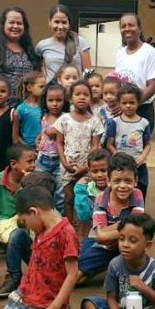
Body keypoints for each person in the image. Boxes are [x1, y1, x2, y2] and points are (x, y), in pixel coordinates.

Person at [0, 187, 80, 309]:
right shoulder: (41, 230)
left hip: (48, 303)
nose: (27, 227)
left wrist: (54, 308)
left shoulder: (66, 233)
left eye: (25, 221)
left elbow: (72, 274)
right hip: (27, 295)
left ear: (34, 212)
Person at [0, 144, 37, 298]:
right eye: (29, 161)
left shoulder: (34, 179)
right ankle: (14, 276)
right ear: (13, 164)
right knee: (15, 236)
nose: (33, 165)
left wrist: (30, 184)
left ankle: (38, 270)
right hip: (4, 219)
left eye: (34, 161)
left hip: (26, 217)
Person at [81, 214, 155, 309]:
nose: (125, 245)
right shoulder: (115, 265)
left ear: (147, 245)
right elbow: (111, 298)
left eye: (132, 241)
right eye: (121, 239)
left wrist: (144, 288)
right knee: (89, 303)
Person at [78, 153, 145, 282]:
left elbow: (135, 229)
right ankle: (105, 264)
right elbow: (100, 237)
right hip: (103, 246)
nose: (123, 186)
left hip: (127, 245)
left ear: (135, 181)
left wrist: (108, 233)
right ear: (109, 181)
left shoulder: (136, 195)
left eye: (128, 181)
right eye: (117, 181)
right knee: (76, 277)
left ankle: (113, 264)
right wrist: (125, 225)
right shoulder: (101, 198)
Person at [55, 80, 104, 235]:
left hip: (87, 168)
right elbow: (59, 142)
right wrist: (64, 163)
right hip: (67, 167)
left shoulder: (95, 121)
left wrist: (85, 167)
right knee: (68, 198)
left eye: (86, 94)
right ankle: (69, 232)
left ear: (90, 98)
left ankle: (84, 232)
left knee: (85, 199)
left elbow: (95, 147)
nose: (82, 97)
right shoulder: (64, 120)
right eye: (78, 94)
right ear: (70, 98)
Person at [113, 13, 155, 132]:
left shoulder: (149, 52)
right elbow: (118, 82)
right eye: (123, 26)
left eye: (131, 25)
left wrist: (132, 104)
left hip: (142, 109)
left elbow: (154, 86)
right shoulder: (120, 53)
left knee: (138, 143)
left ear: (140, 28)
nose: (127, 29)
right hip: (122, 110)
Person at [105, 83, 152, 201]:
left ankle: (138, 211)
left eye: (132, 102)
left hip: (139, 165)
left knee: (140, 192)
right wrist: (117, 155)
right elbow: (109, 144)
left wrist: (142, 157)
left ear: (138, 103)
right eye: (124, 103)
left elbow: (147, 145)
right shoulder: (114, 122)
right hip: (119, 166)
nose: (128, 106)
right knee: (120, 193)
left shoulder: (144, 123)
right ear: (119, 103)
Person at [36, 4, 92, 81]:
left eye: (64, 22)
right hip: (52, 88)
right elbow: (40, 69)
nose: (60, 26)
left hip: (76, 88)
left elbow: (88, 73)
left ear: (69, 24)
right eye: (56, 22)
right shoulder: (42, 46)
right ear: (49, 22)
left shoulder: (80, 42)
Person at [35, 83, 66, 212]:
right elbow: (43, 132)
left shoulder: (66, 118)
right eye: (51, 100)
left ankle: (59, 218)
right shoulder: (44, 116)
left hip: (59, 161)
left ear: (64, 101)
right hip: (43, 159)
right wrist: (38, 138)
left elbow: (63, 133)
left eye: (58, 100)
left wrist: (55, 131)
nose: (55, 104)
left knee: (60, 194)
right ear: (45, 101)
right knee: (42, 190)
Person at [73, 148, 110, 224]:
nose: (99, 175)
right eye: (95, 171)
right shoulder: (87, 190)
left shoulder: (115, 188)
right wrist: (80, 191)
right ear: (89, 172)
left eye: (103, 170)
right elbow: (83, 217)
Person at [15, 71, 47, 149]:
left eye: (45, 87)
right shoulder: (21, 109)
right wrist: (27, 148)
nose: (44, 90)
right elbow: (15, 134)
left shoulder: (46, 106)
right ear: (29, 87)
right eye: (41, 86)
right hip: (28, 147)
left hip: (45, 148)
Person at [97, 75, 123, 145]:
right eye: (105, 93)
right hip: (104, 144)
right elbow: (98, 129)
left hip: (120, 144)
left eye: (112, 93)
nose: (108, 97)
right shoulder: (101, 111)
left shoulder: (122, 110)